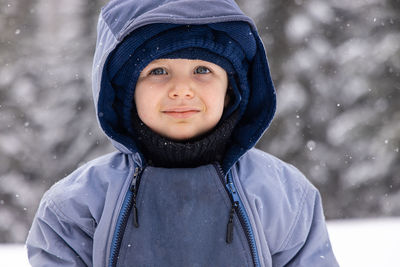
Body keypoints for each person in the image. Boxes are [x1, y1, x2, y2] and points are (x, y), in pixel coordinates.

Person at [26, 0, 339, 266]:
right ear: (125, 92)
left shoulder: (284, 195)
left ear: (231, 89)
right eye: (158, 71)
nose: (181, 90)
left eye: (203, 70)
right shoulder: (76, 205)